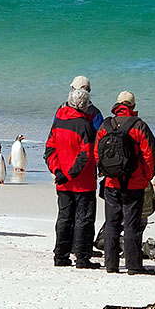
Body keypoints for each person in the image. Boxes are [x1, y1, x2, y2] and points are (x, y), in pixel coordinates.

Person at [94, 91, 155, 275]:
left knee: (112, 223)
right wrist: (146, 177)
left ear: (117, 105)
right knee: (132, 225)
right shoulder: (139, 126)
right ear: (133, 106)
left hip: (111, 183)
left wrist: (105, 172)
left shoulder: (106, 125)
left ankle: (111, 265)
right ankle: (133, 266)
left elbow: (97, 153)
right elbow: (149, 156)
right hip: (135, 184)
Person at [45, 88, 99, 268]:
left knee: (64, 218)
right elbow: (86, 155)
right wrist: (67, 174)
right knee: (84, 219)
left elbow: (49, 149)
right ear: (84, 105)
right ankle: (82, 258)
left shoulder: (59, 119)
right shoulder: (85, 125)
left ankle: (60, 256)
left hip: (63, 181)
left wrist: (57, 171)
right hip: (82, 183)